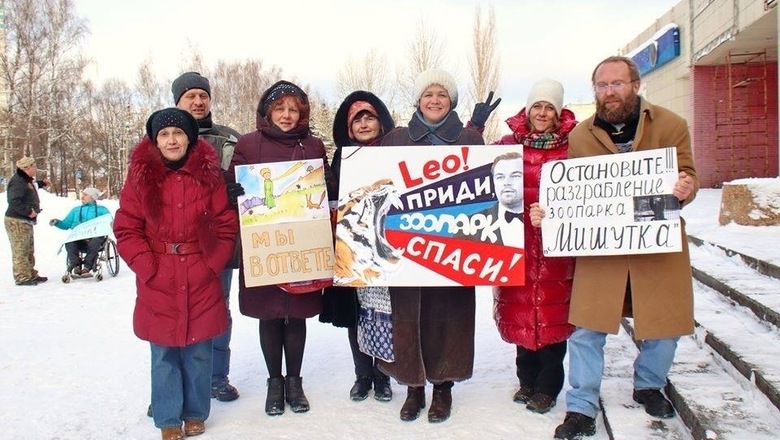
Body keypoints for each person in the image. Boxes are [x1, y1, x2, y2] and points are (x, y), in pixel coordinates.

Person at [528, 57, 698, 440]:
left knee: (663, 327)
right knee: (587, 330)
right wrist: (550, 212)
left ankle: (649, 385)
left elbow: (688, 172)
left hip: (656, 244)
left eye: (617, 83)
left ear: (635, 84)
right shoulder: (582, 135)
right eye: (602, 85)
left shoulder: (671, 124)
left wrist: (685, 187)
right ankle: (581, 407)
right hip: (601, 249)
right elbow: (571, 192)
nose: (609, 91)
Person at [113, 108, 238, 440]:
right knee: (164, 351)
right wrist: (147, 267)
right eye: (164, 134)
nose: (172, 140)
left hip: (200, 271)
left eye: (178, 133)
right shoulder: (141, 177)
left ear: (190, 138)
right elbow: (126, 228)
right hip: (159, 274)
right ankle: (168, 418)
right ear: (155, 141)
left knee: (199, 349)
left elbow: (225, 223)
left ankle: (196, 413)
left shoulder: (208, 175)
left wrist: (213, 263)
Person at [378, 68, 485, 423]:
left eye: (441, 94)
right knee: (408, 318)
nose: (434, 100)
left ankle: (442, 387)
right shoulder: (396, 139)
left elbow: (486, 191)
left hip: (455, 246)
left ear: (451, 101)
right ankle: (413, 387)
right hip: (406, 247)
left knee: (448, 317)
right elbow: (379, 184)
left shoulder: (470, 138)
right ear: (418, 100)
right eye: (428, 94)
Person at [225, 80, 335, 416]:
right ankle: (275, 381)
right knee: (270, 315)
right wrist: (234, 191)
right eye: (280, 108)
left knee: (296, 315)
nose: (286, 115)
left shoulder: (313, 144)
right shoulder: (248, 144)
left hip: (301, 244)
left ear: (302, 113)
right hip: (265, 246)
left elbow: (328, 185)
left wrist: (324, 184)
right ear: (267, 112)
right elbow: (231, 185)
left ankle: (295, 382)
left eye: (293, 109)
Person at [491, 78, 578, 415]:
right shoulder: (506, 146)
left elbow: (587, 196)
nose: (542, 113)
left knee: (554, 319)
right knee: (522, 317)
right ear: (528, 110)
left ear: (558, 112)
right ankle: (526, 381)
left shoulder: (573, 147)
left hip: (558, 251)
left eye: (549, 107)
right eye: (537, 106)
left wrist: (555, 214)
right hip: (517, 248)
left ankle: (547, 387)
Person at [319, 91, 396, 402]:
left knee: (388, 312)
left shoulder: (397, 150)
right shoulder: (341, 156)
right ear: (348, 128)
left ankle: (384, 374)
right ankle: (362, 374)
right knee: (358, 314)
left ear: (380, 121)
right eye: (357, 119)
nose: (364, 123)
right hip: (353, 246)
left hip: (390, 243)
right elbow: (332, 197)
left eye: (369, 117)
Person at [173, 71, 242, 403]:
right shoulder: (164, 138)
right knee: (176, 311)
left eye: (203, 95)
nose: (198, 102)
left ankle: (216, 376)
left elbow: (253, 178)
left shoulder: (229, 139)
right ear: (178, 102)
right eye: (190, 96)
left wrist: (237, 190)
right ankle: (173, 384)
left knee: (218, 308)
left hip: (217, 241)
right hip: (174, 245)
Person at [5, 156, 49, 286]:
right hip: (17, 221)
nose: (35, 169)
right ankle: (22, 277)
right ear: (27, 168)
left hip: (25, 221)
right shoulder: (17, 181)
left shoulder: (25, 180)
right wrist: (29, 212)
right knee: (20, 249)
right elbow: (14, 201)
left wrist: (42, 183)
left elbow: (31, 187)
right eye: (34, 167)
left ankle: (30, 273)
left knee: (29, 249)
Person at [49, 187, 111, 275]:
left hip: (95, 238)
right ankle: (75, 266)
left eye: (85, 195)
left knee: (95, 241)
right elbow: (66, 224)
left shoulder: (102, 210)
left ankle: (87, 266)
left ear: (92, 197)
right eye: (82, 195)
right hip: (79, 238)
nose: (82, 197)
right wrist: (57, 223)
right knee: (70, 242)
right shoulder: (75, 210)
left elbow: (108, 223)